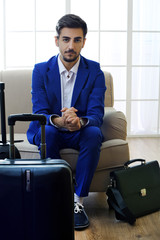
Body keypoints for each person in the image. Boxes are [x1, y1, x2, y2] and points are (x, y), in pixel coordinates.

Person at [27, 14, 106, 230]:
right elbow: (40, 112)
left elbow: (97, 114)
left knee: (94, 133)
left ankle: (77, 202)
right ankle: (58, 197)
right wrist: (59, 120)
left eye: (77, 40)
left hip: (79, 130)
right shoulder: (41, 70)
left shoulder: (95, 71)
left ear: (83, 42)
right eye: (66, 39)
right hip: (52, 128)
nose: (71, 46)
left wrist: (79, 121)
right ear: (57, 40)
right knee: (48, 133)